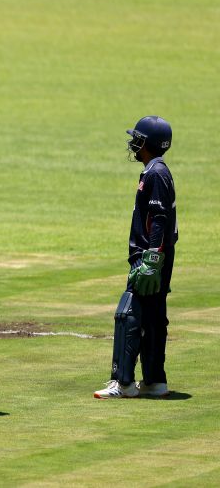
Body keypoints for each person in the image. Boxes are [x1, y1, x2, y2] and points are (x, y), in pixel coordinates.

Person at [94, 116, 177, 399]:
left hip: (150, 258)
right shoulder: (157, 170)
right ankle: (155, 382)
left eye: (138, 139)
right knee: (153, 318)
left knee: (129, 314)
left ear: (148, 143)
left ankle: (124, 383)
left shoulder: (155, 173)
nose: (134, 143)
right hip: (158, 256)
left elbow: (160, 219)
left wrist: (151, 260)